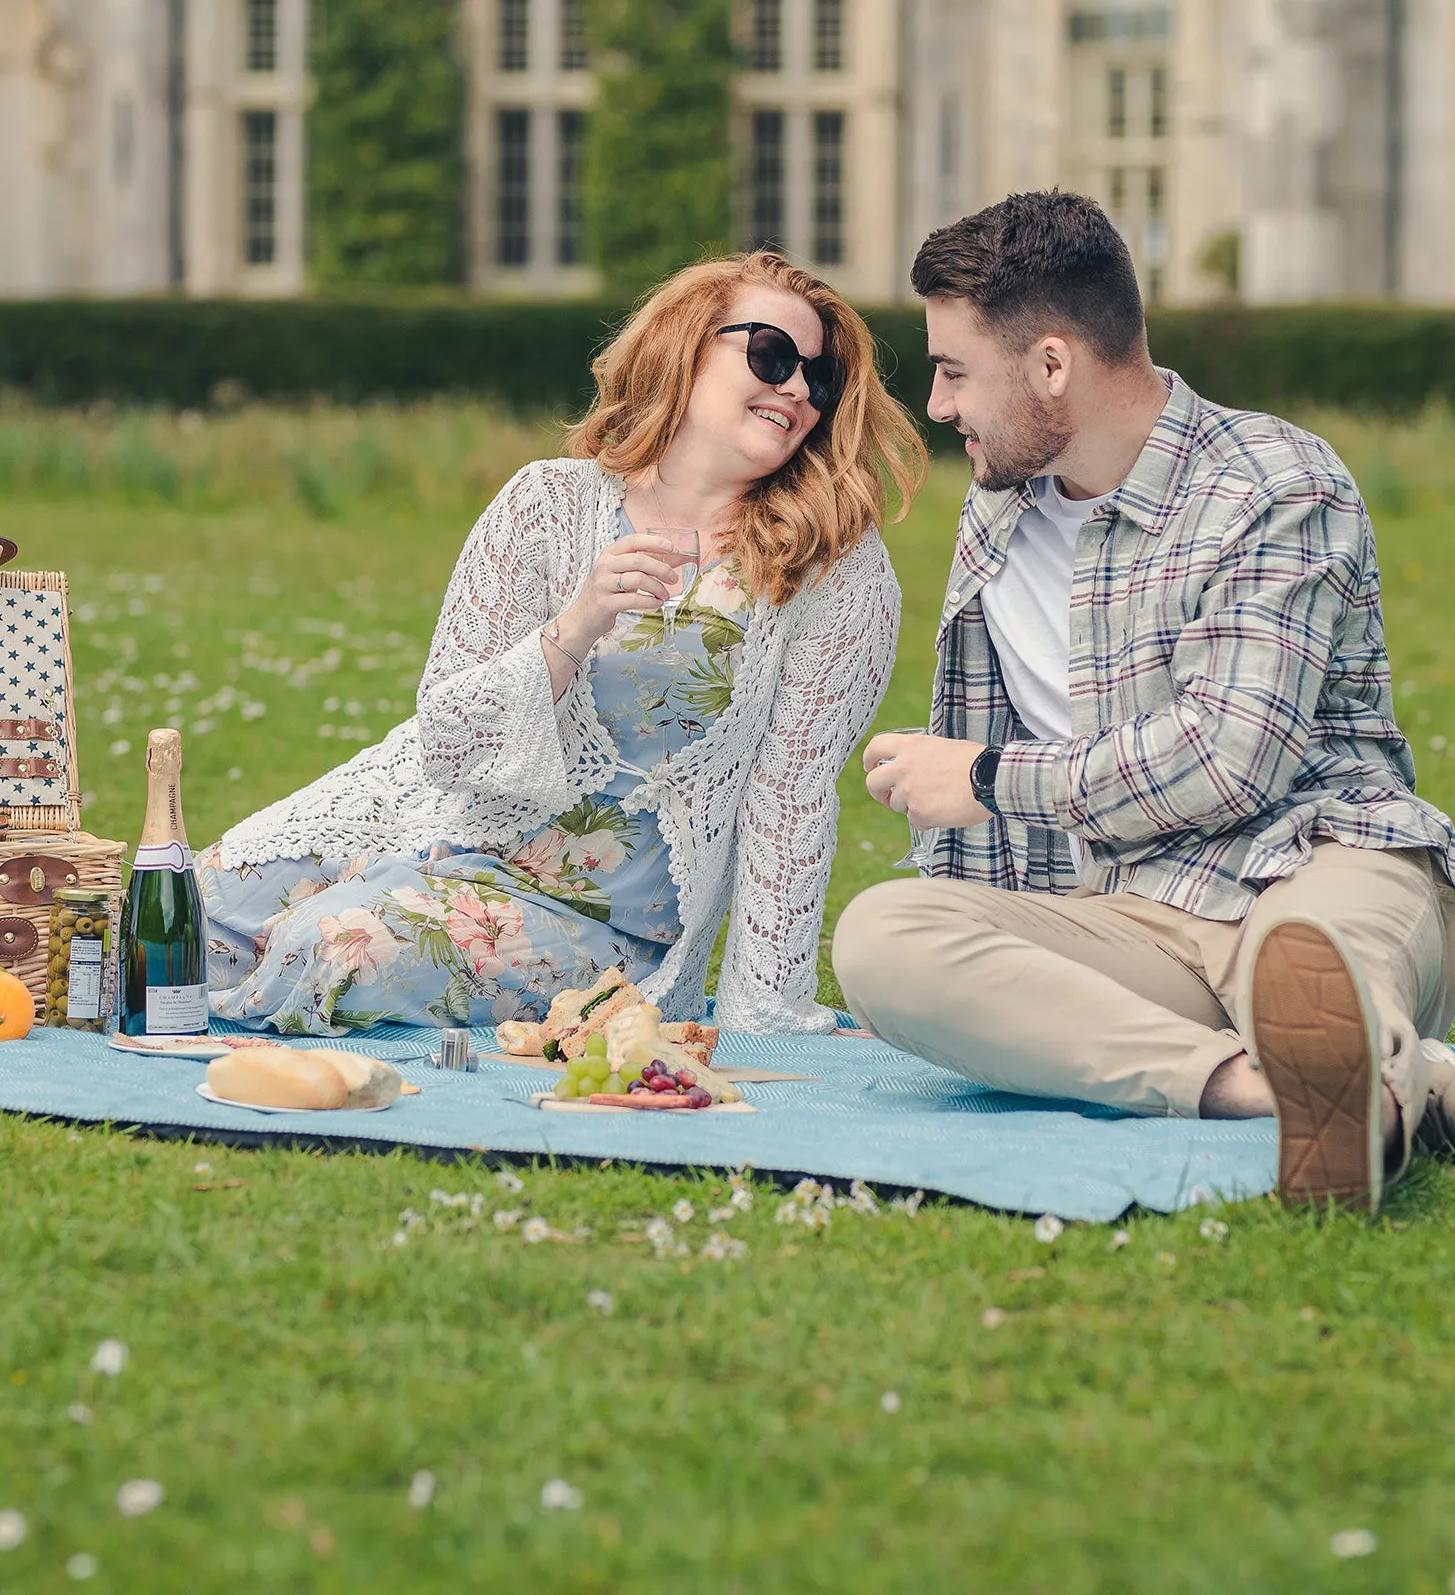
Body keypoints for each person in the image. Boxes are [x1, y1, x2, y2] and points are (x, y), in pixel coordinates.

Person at [832, 191, 1455, 1213]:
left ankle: (1346, 1062)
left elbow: (1232, 758)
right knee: (883, 936)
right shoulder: (998, 508)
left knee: (1316, 959)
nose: (936, 405)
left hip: (1319, 862)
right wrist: (985, 960)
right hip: (1129, 918)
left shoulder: (1274, 484)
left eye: (953, 370)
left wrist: (979, 778)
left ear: (1051, 363)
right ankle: (1304, 1089)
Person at [201, 249, 925, 1036]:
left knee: (332, 947)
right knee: (191, 911)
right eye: (772, 355)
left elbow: (791, 800)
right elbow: (447, 736)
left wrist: (764, 1005)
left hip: (596, 926)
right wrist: (574, 629)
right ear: (684, 344)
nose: (795, 388)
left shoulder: (833, 572)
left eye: (818, 380)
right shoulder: (545, 503)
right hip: (435, 822)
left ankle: (359, 919)